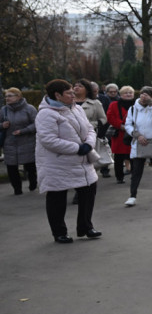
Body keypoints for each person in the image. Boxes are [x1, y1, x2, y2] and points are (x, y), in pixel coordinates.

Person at [35, 79, 101, 243]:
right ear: (57, 95)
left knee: (89, 188)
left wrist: (88, 144)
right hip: (57, 163)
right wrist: (77, 148)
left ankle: (86, 227)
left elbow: (90, 129)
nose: (74, 94)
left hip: (82, 160)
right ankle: (59, 232)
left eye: (73, 91)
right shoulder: (46, 114)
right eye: (69, 93)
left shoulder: (77, 108)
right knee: (57, 196)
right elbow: (48, 140)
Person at [123, 86, 152, 206]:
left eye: (146, 96)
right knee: (136, 169)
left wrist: (151, 104)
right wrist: (137, 135)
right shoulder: (133, 108)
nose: (143, 99)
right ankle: (132, 195)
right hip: (139, 142)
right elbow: (128, 124)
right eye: (141, 96)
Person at [2, 88, 37, 195]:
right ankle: (17, 189)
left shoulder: (29, 109)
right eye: (6, 96)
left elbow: (37, 124)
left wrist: (23, 131)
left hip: (27, 142)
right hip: (10, 143)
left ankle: (33, 184)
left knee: (30, 166)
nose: (7, 98)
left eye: (10, 95)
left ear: (19, 96)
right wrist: (2, 125)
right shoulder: (3, 110)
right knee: (11, 167)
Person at [105, 86, 135, 184]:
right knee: (119, 157)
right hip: (120, 134)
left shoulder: (137, 105)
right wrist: (120, 125)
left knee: (134, 156)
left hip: (134, 133)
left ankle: (135, 175)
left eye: (130, 92)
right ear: (120, 95)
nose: (128, 94)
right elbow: (110, 116)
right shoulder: (114, 104)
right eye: (125, 93)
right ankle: (119, 177)